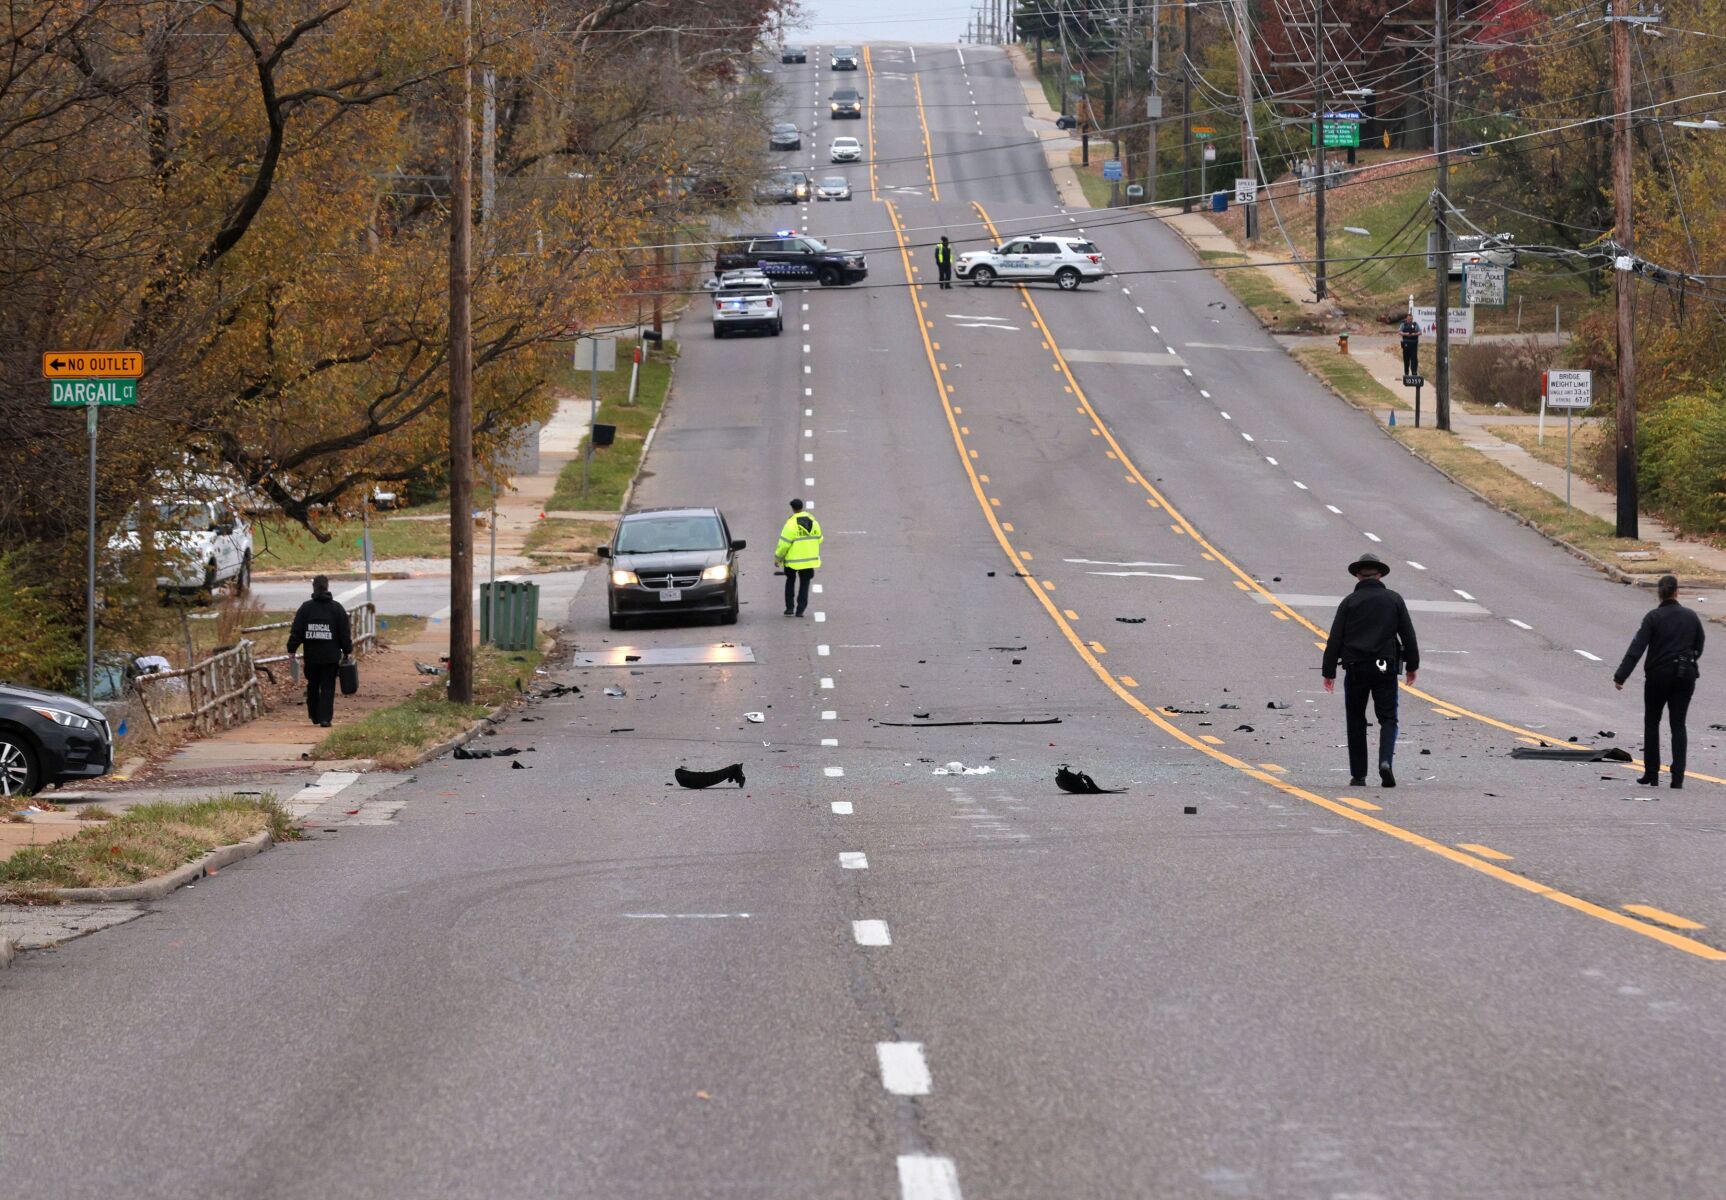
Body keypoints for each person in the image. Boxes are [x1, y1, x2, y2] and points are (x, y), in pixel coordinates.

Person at [1321, 552, 1420, 787]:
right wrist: (1412, 666)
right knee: (1388, 718)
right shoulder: (1394, 599)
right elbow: (1408, 634)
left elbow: (1335, 638)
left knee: (1355, 718)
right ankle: (1385, 762)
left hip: (1356, 667)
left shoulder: (1349, 602)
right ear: (1380, 575)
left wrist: (1329, 672)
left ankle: (1358, 774)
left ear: (1357, 575)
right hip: (1385, 665)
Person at [1614, 574, 1705, 788]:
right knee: (1678, 724)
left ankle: (1651, 773)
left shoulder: (1653, 618)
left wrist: (1621, 676)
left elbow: (1636, 648)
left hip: (1658, 677)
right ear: (1676, 592)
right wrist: (1688, 659)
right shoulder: (1691, 616)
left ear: (1659, 594)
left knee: (1652, 722)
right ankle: (1677, 777)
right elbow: (1699, 645)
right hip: (1685, 676)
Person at [286, 574, 353, 728]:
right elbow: (344, 632)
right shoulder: (337, 609)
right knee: (328, 687)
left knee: (313, 684)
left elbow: (297, 631)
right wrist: (347, 650)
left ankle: (314, 714)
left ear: (314, 587)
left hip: (312, 656)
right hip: (330, 657)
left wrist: (291, 649)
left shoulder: (306, 608)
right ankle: (325, 719)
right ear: (327, 587)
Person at [774, 498, 823, 617]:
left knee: (790, 582)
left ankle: (790, 608)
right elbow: (820, 539)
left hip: (792, 561)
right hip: (809, 561)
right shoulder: (814, 523)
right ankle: (800, 610)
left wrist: (778, 558)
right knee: (805, 584)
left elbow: (784, 544)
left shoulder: (790, 525)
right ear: (802, 507)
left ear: (793, 508)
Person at [1399, 312, 1421, 379]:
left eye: (1411, 319)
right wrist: (1406, 334)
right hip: (1406, 344)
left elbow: (1420, 332)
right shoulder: (1403, 324)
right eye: (1408, 319)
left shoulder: (1415, 324)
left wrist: (1415, 334)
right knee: (1406, 359)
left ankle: (1414, 373)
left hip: (1414, 344)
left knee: (1414, 359)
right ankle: (1406, 373)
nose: (1410, 320)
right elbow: (1400, 332)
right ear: (1406, 319)